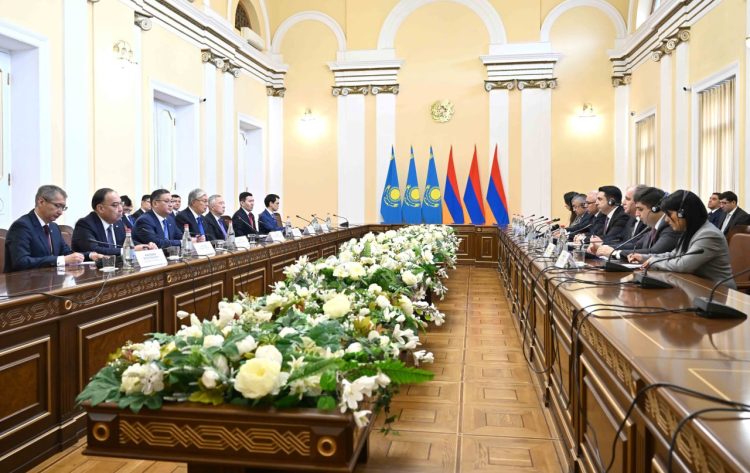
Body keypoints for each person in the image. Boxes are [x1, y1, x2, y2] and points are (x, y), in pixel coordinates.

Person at [630, 190, 736, 288]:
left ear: (682, 213)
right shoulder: (690, 231)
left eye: (669, 214)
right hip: (695, 286)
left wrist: (653, 262)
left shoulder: (709, 235)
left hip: (717, 291)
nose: (666, 220)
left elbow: (683, 265)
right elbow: (674, 255)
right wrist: (643, 257)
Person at [4, 185, 94, 272]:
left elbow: (67, 253)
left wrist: (90, 255)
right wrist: (61, 260)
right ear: (41, 202)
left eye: (63, 208)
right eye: (57, 206)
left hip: (51, 279)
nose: (61, 212)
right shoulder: (22, 226)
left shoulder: (54, 227)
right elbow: (21, 262)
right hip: (24, 280)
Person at [596, 187, 680, 259]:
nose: (637, 214)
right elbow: (636, 245)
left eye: (640, 209)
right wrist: (604, 248)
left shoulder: (670, 226)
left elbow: (655, 252)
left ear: (655, 209)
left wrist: (615, 253)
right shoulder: (654, 227)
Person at [71, 188, 157, 255]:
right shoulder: (85, 224)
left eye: (121, 204)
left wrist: (145, 246)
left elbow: (126, 242)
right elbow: (95, 250)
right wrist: (129, 251)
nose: (120, 209)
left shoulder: (118, 223)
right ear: (100, 208)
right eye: (115, 205)